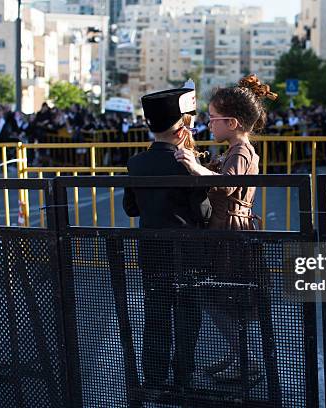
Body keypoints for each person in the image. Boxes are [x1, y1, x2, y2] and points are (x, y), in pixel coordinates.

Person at [175, 74, 277, 382]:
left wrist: (194, 166)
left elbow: (226, 186)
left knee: (219, 298)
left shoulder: (242, 151)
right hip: (227, 229)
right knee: (224, 299)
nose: (209, 123)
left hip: (231, 233)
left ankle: (247, 358)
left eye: (213, 118)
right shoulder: (236, 149)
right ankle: (239, 355)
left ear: (232, 123)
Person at [123, 87, 211, 391]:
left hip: (152, 250)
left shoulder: (136, 163)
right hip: (188, 252)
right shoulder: (185, 163)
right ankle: (183, 376)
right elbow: (203, 211)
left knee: (156, 315)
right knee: (187, 317)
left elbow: (130, 208)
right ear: (181, 127)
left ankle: (154, 377)